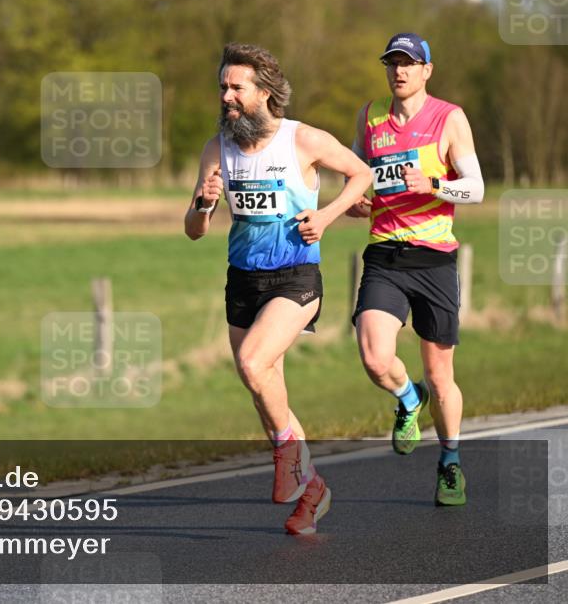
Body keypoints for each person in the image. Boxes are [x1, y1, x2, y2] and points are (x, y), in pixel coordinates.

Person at [185, 43, 371, 534]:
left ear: (264, 92)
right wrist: (203, 204)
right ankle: (313, 490)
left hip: (295, 275)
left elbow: (361, 173)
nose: (225, 95)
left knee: (252, 363)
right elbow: (194, 230)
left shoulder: (303, 140)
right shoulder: (216, 147)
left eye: (235, 87)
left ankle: (289, 459)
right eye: (222, 86)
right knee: (263, 389)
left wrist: (327, 215)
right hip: (243, 278)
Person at [346, 32, 484, 506]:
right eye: (392, 63)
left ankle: (450, 460)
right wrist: (354, 202)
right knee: (374, 357)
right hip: (385, 254)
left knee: (440, 373)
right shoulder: (370, 117)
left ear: (427, 70)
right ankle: (408, 398)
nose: (399, 71)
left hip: (434, 258)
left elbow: (477, 189)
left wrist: (435, 184)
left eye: (408, 63)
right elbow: (357, 176)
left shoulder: (450, 119)